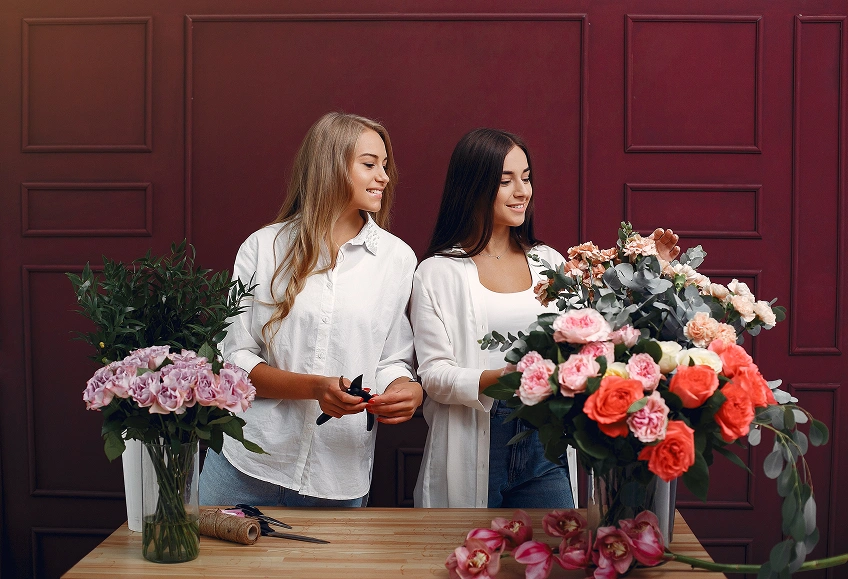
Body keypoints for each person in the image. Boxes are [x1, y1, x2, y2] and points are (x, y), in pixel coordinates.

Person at [411, 128, 679, 508]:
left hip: (544, 437)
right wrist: (504, 378)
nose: (522, 191)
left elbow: (596, 337)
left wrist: (647, 274)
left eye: (526, 177)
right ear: (473, 187)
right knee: (468, 545)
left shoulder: (547, 261)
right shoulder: (437, 272)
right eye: (506, 181)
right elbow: (434, 375)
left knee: (556, 541)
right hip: (479, 437)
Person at [199, 112, 423, 508]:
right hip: (247, 463)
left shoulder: (397, 258)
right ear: (331, 167)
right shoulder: (263, 248)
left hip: (338, 473)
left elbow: (391, 358)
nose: (384, 177)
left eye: (385, 165)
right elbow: (234, 358)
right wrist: (315, 388)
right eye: (369, 164)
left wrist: (406, 389)